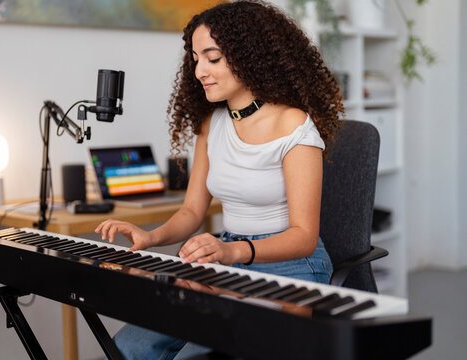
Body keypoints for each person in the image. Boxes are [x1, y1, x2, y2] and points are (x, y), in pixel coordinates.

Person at [95, 0, 344, 358]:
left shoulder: (292, 125)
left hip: (291, 266)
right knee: (128, 348)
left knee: (197, 355)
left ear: (249, 56)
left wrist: (231, 251)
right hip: (229, 257)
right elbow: (192, 211)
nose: (199, 71)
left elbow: (304, 238)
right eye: (196, 59)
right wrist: (150, 237)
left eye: (212, 58)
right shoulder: (212, 124)